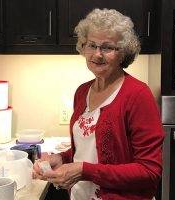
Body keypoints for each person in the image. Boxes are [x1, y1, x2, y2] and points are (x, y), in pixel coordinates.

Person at [33, 8, 164, 200]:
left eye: (107, 47)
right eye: (92, 45)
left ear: (123, 52)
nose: (97, 54)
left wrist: (83, 171)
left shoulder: (137, 95)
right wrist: (62, 158)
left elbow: (149, 171)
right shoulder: (82, 92)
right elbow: (88, 150)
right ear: (82, 47)